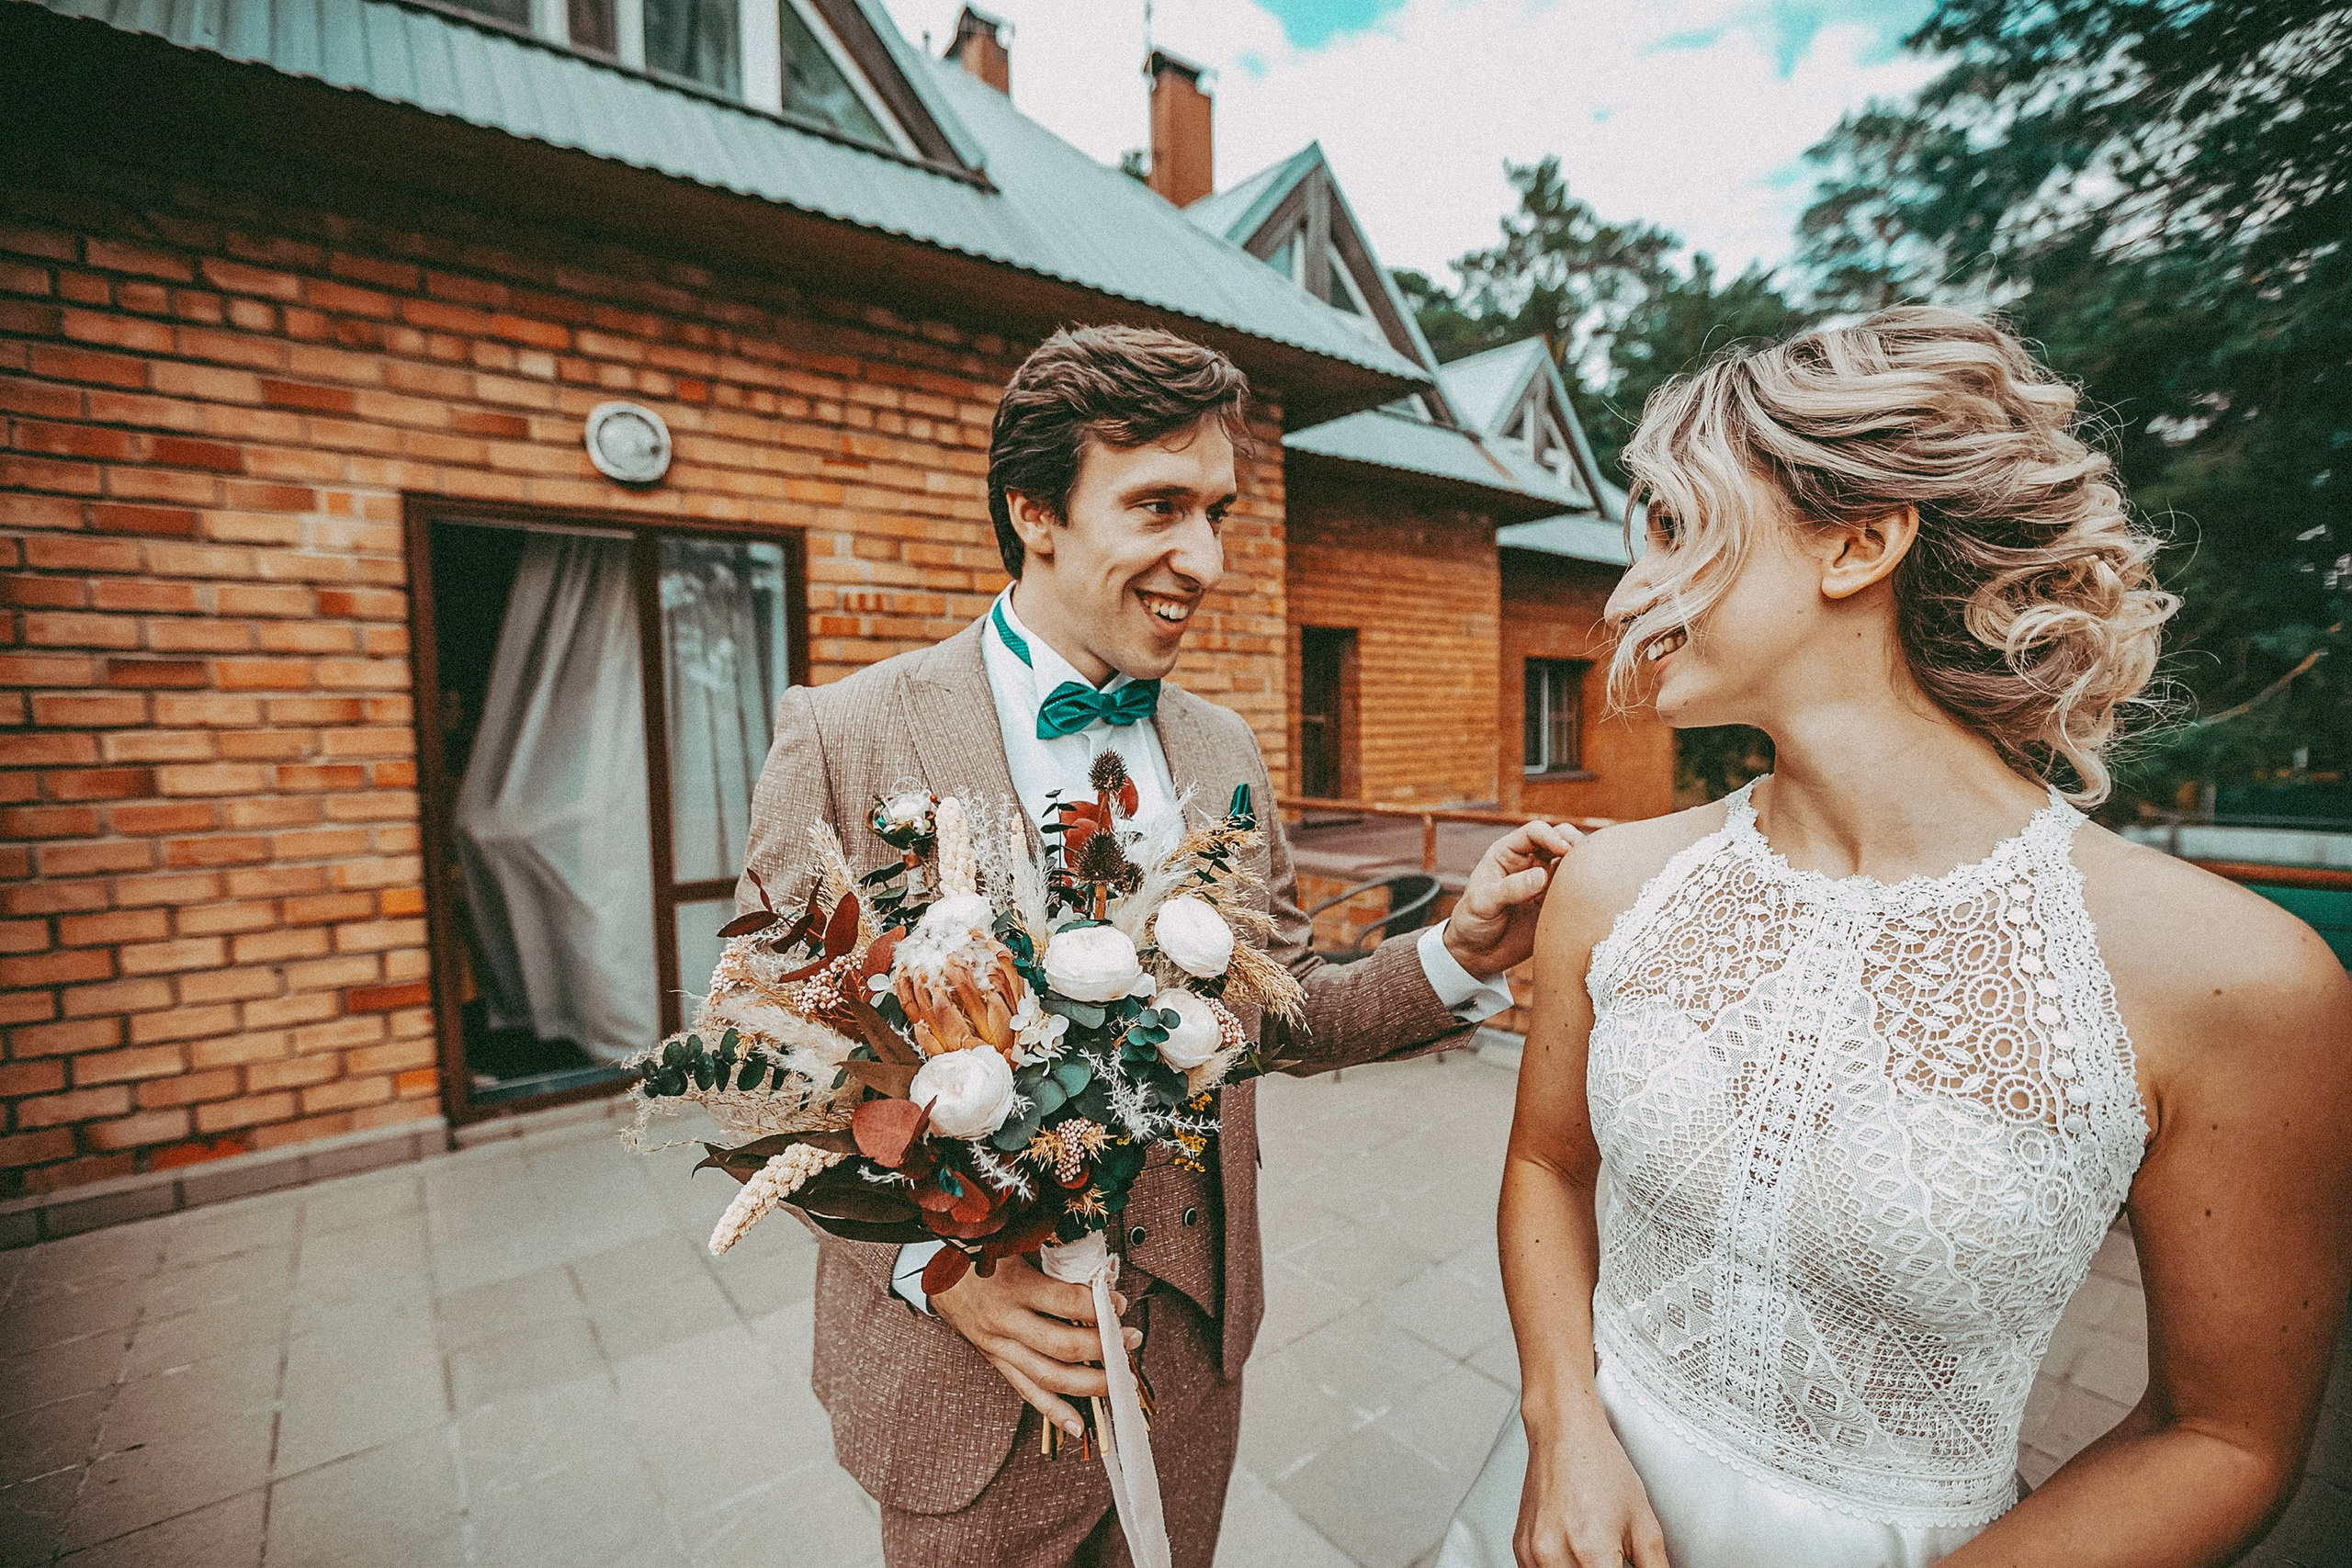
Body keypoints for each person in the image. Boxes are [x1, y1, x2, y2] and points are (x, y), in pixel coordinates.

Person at [1439, 307, 2352, 1568]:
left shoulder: (2236, 982)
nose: (1626, 592)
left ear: (1859, 542)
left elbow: (2226, 1437)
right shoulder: (1615, 884)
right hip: (1560, 1513)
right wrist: (1561, 1427)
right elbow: (1548, 1168)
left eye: (1667, 525)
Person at [735, 323, 1573, 1566]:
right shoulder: (848, 736)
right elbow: (764, 1065)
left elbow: (1279, 1016)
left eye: (1219, 512)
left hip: (1188, 1366)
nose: (1208, 559)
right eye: (1160, 507)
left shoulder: (1223, 752)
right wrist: (943, 1276)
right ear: (1035, 510)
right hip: (970, 1398)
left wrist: (1463, 949)